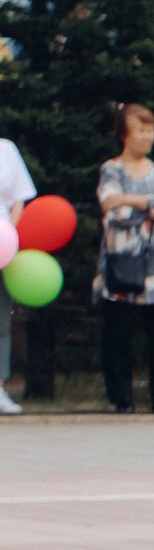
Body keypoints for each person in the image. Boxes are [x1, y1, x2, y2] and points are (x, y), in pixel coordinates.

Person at [92, 103, 154, 415]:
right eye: (140, 130)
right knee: (117, 333)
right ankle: (121, 398)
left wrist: (130, 199)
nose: (147, 136)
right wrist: (147, 202)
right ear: (124, 135)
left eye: (150, 129)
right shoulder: (111, 170)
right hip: (121, 262)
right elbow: (113, 211)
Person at [0, 135, 30, 413]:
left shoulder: (6, 149)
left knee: (1, 320)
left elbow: (19, 198)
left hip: (3, 246)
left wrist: (10, 234)